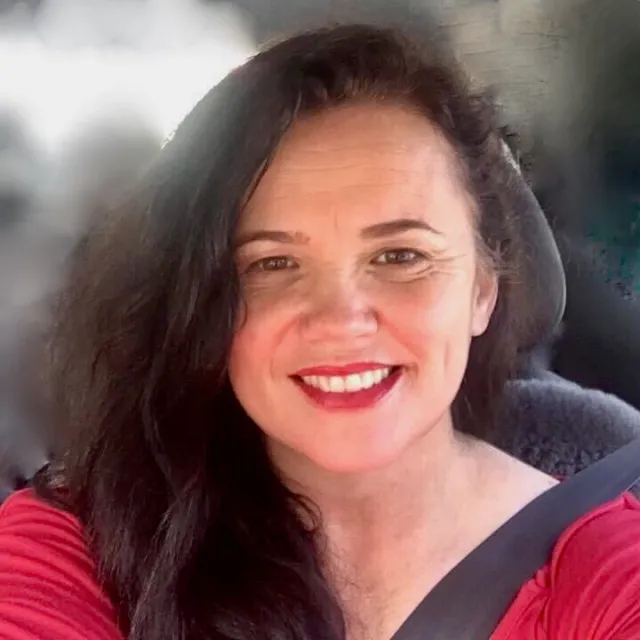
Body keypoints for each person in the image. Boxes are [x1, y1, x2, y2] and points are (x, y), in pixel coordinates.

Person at [0, 24, 639, 640]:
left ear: (482, 290)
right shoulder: (80, 550)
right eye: (273, 265)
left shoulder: (609, 561)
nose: (341, 319)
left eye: (400, 256)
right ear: (208, 304)